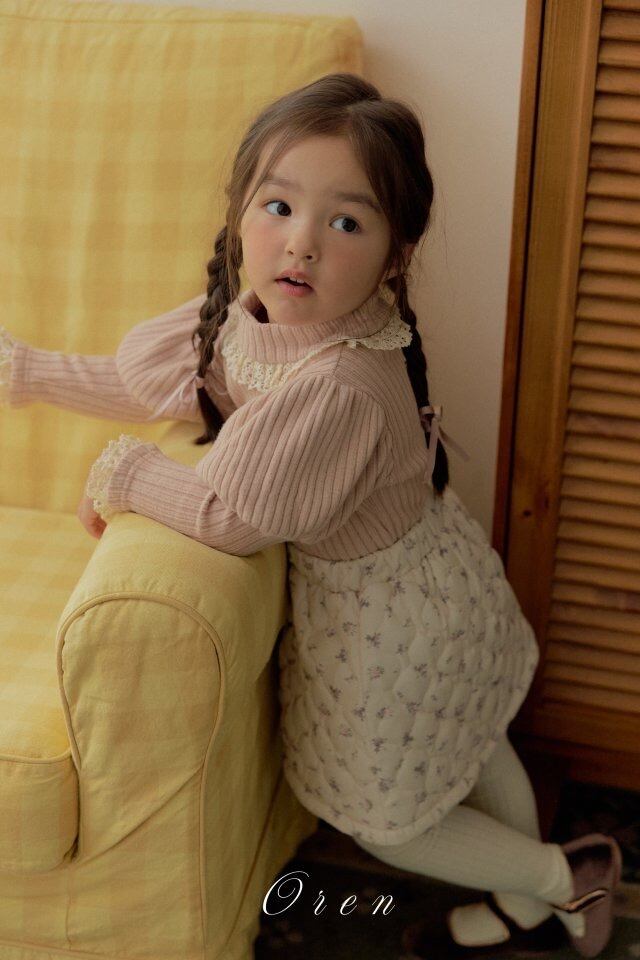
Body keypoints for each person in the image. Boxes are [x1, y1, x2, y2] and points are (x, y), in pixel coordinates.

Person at [0, 73, 621, 959]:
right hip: (428, 583)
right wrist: (25, 371)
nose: (301, 243)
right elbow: (152, 382)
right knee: (471, 737)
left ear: (396, 256)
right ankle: (533, 894)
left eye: (347, 223)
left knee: (389, 819)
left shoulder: (339, 385)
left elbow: (232, 515)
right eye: (279, 206)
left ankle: (566, 878)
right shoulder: (254, 317)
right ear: (239, 212)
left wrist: (124, 474)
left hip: (394, 624)